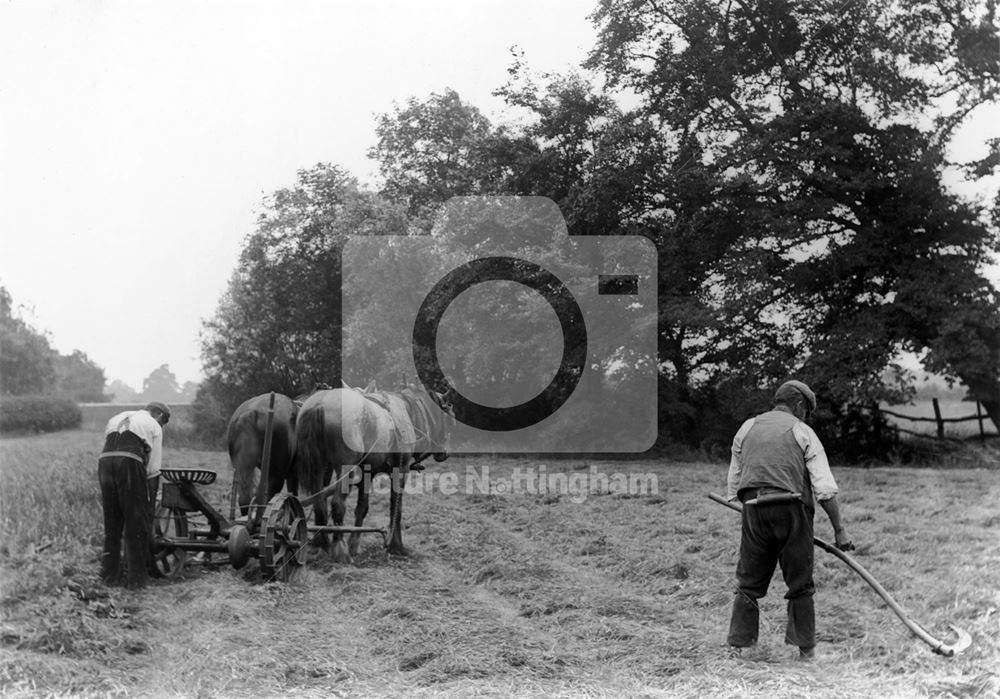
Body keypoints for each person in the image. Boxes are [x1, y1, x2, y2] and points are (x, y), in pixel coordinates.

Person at [725, 380, 853, 660]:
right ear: (799, 406)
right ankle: (805, 652)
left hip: (754, 509)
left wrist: (752, 512)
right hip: (792, 511)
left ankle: (738, 647)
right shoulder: (802, 431)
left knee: (748, 581)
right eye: (806, 410)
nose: (806, 416)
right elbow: (825, 488)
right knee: (800, 582)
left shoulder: (747, 428)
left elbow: (734, 483)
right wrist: (840, 532)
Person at [98, 401, 170, 588]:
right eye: (164, 422)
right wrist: (149, 507)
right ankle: (136, 581)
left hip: (105, 463)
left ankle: (109, 577)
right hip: (129, 463)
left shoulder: (117, 417)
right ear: (160, 416)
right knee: (135, 523)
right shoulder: (154, 425)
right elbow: (153, 470)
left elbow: (111, 448)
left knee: (112, 523)